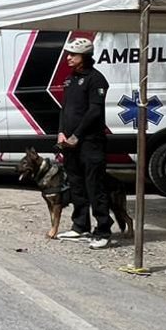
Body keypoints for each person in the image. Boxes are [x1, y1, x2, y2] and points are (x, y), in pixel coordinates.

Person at [54, 37, 114, 249]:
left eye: (73, 54)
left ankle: (104, 230)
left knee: (94, 186)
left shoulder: (96, 79)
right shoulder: (70, 79)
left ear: (85, 57)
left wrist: (77, 135)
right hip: (70, 143)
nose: (68, 58)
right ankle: (80, 225)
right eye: (68, 54)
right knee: (76, 184)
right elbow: (65, 109)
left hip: (90, 142)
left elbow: (94, 111)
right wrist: (61, 132)